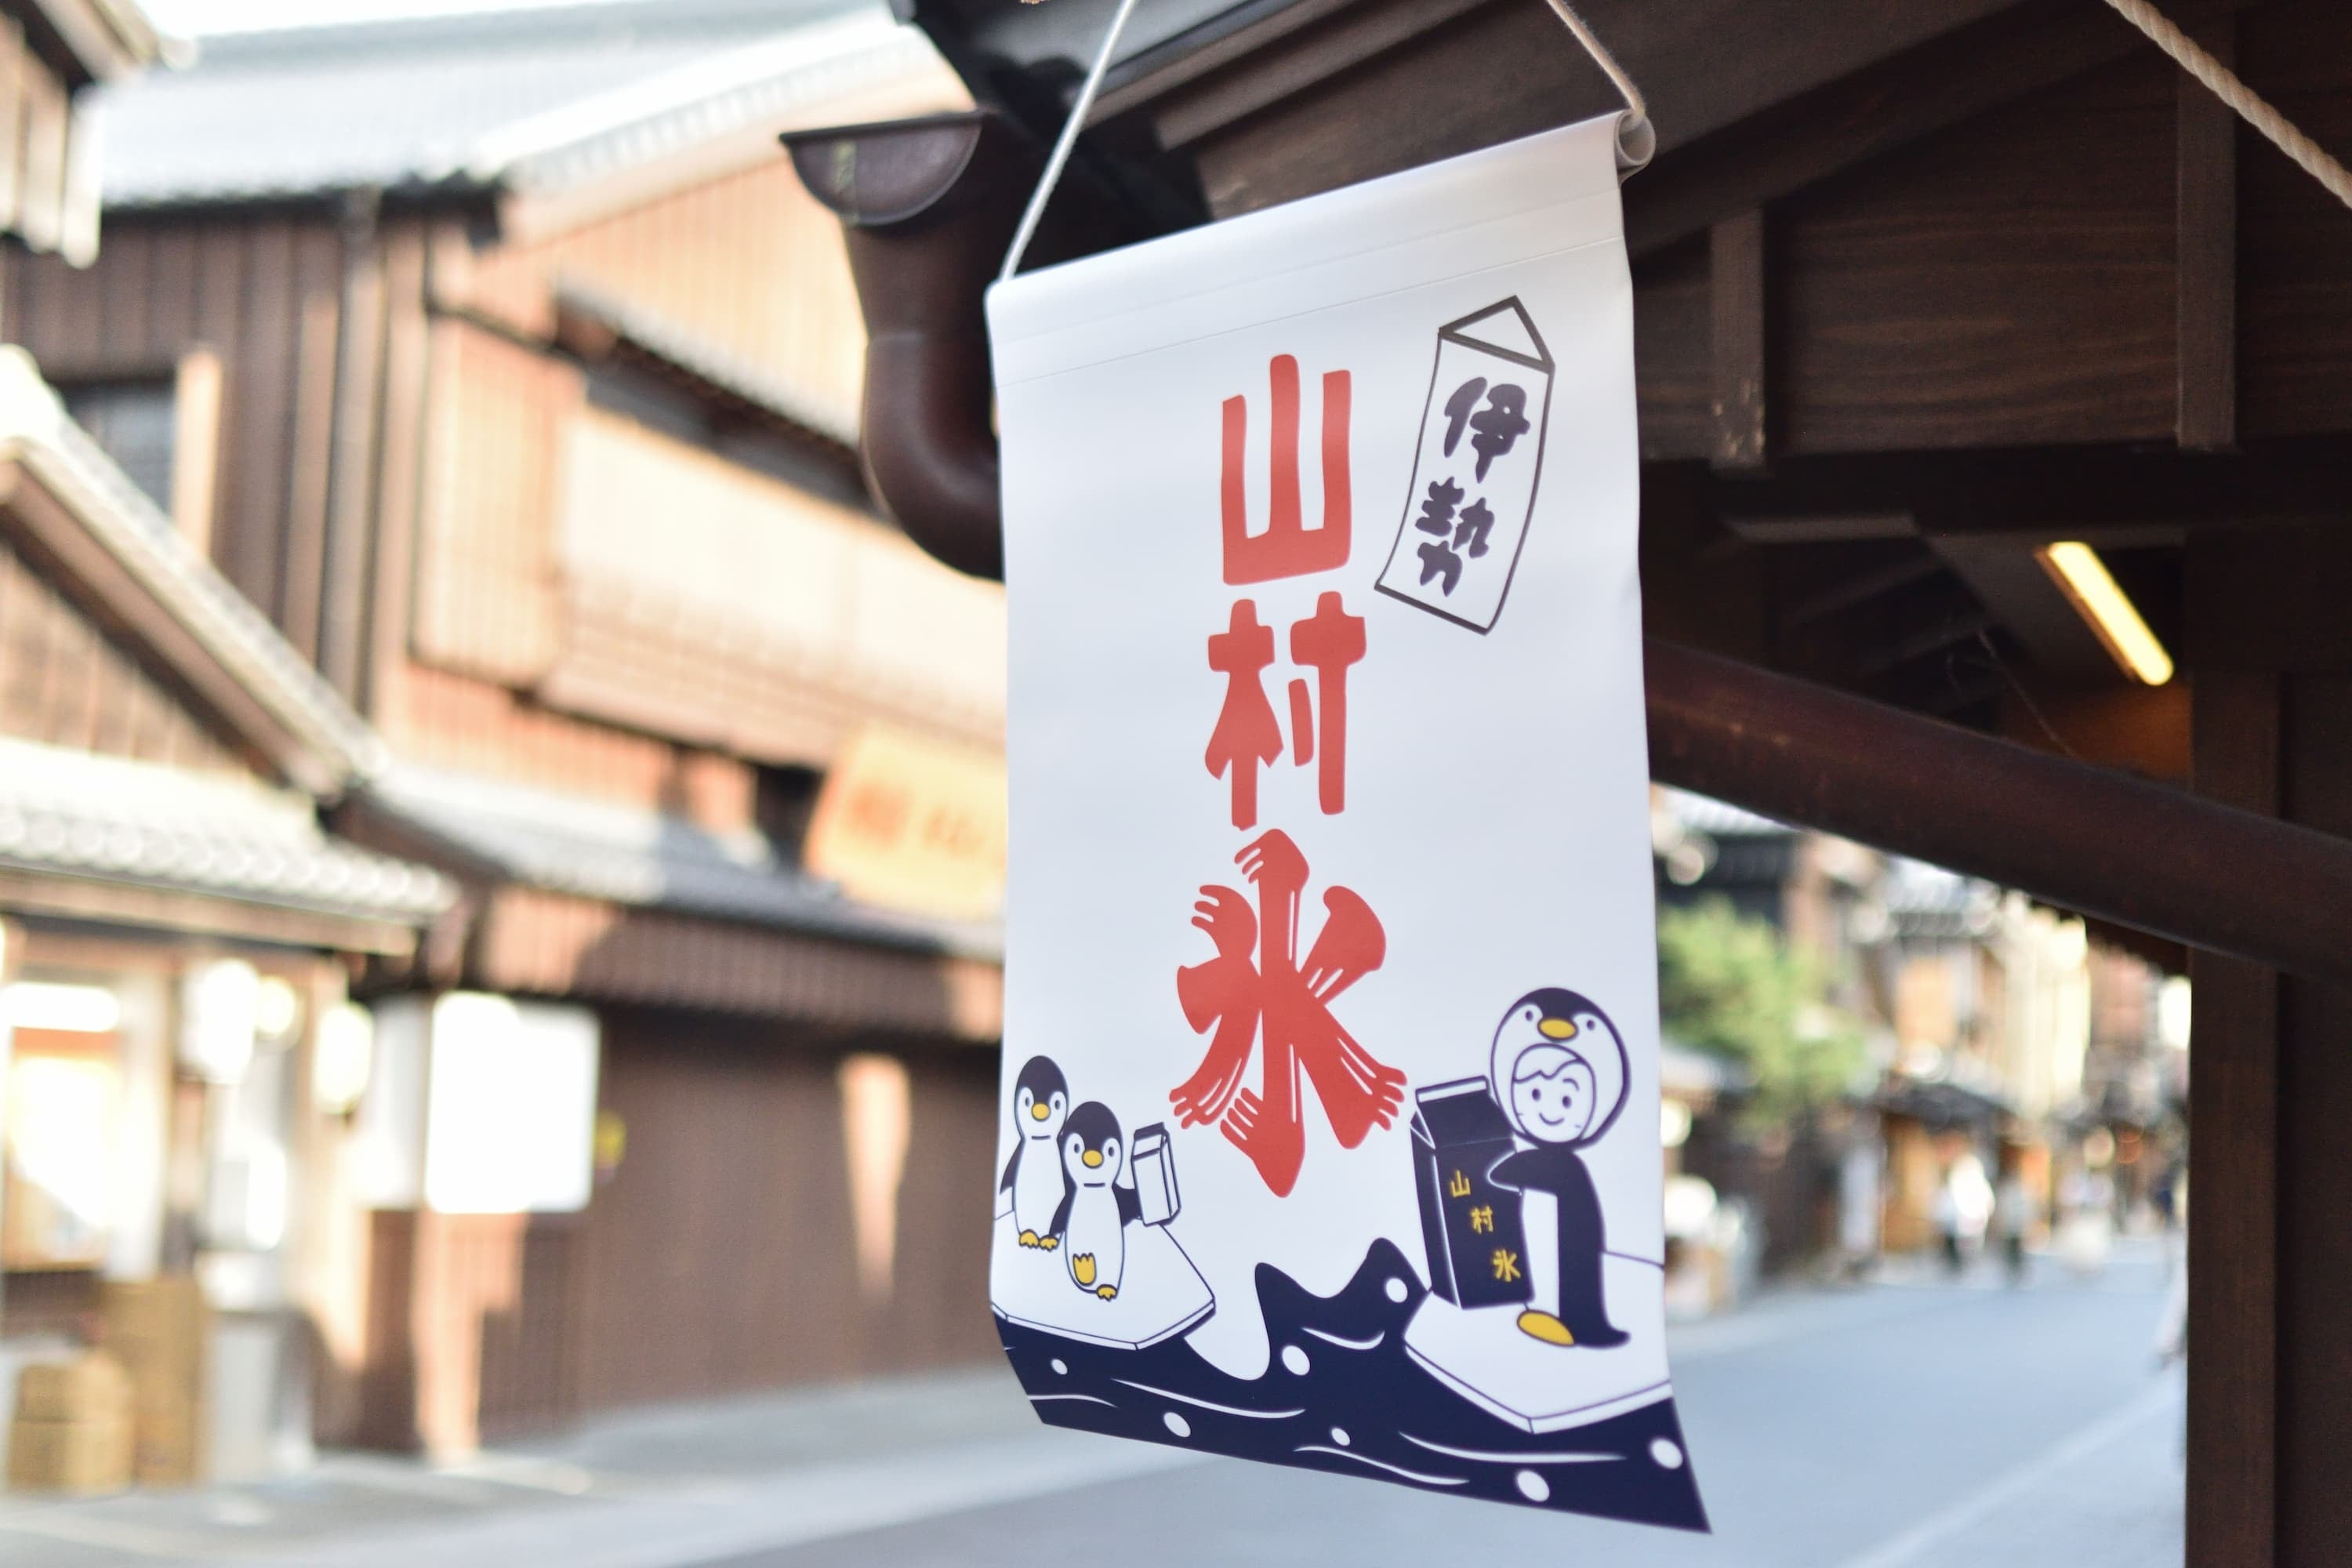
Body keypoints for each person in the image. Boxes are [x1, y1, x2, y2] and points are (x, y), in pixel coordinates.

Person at [1995, 1168, 2033, 1287]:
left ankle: (2018, 1270)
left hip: (2016, 1226)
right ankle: (2012, 1270)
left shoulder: (2021, 1192)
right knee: (2010, 1250)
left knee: (2017, 1250)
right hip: (2010, 1226)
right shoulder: (2007, 1192)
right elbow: (2001, 1209)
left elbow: (2026, 1209)